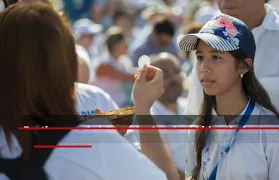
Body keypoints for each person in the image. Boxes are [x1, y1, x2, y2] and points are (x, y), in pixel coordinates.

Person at [0, 2, 179, 180]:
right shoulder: (91, 142)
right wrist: (142, 111)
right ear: (66, 58)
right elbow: (167, 177)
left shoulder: (93, 98)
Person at [186, 1, 279, 179]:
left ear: (245, 65)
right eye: (200, 57)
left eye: (216, 56)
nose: (224, 1)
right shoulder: (205, 42)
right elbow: (196, 120)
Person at [125, 52, 188, 179]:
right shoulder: (144, 117)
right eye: (165, 74)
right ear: (151, 80)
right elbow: (146, 162)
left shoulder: (192, 107)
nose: (174, 78)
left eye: (176, 71)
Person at [92, 26, 136, 108]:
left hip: (118, 105)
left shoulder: (124, 61)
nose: (127, 45)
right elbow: (126, 76)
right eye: (124, 42)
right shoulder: (103, 64)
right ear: (116, 45)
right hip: (102, 107)